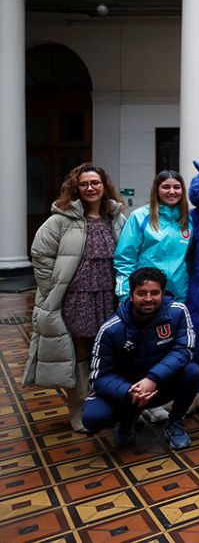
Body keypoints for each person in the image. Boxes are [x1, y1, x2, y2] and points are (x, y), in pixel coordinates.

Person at [27, 163, 126, 432]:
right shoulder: (60, 219)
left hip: (109, 296)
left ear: (104, 186)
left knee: (105, 351)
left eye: (95, 182)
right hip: (78, 296)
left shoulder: (116, 218)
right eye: (84, 184)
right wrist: (52, 288)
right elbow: (40, 254)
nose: (90, 188)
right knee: (80, 352)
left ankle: (105, 404)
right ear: (76, 188)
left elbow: (127, 254)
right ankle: (78, 408)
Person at [82, 267, 198, 449]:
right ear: (131, 295)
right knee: (92, 417)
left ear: (163, 292)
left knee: (192, 371)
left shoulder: (178, 312)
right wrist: (129, 392)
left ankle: (174, 423)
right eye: (142, 293)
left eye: (155, 293)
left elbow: (185, 350)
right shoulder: (111, 329)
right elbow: (98, 377)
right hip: (128, 390)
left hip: (160, 385)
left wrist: (152, 378)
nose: (149, 298)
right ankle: (128, 419)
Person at [114, 170, 192, 303]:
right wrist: (124, 295)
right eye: (166, 187)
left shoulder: (189, 220)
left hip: (180, 295)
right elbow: (125, 259)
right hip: (147, 295)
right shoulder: (139, 217)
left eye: (177, 187)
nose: (172, 191)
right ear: (156, 189)